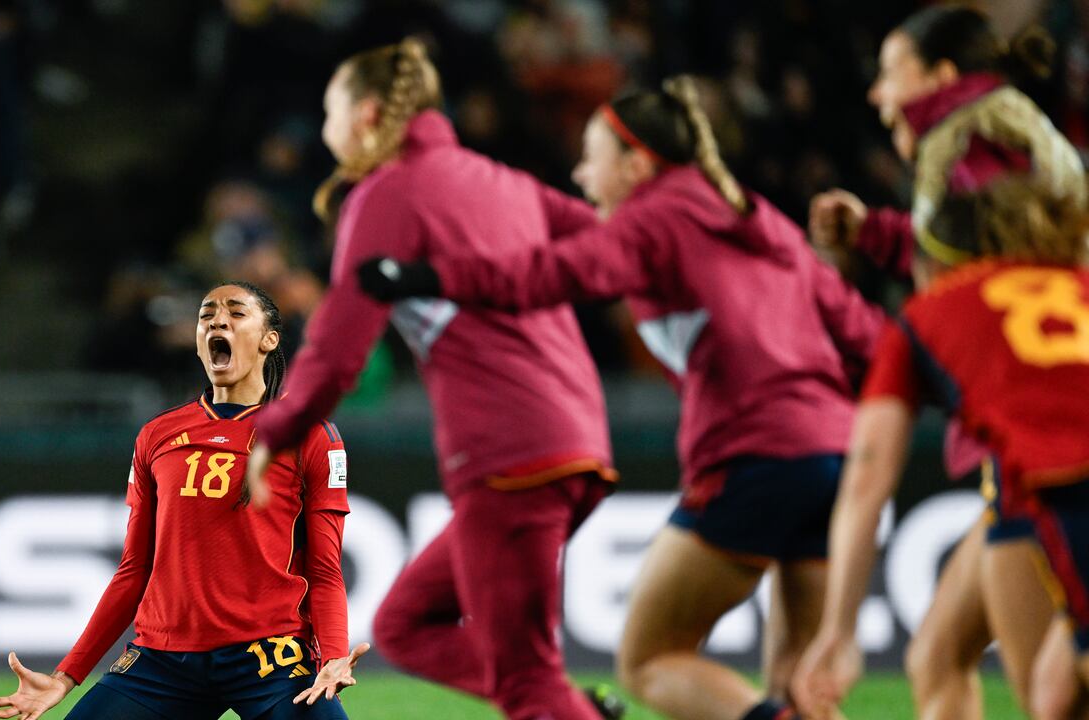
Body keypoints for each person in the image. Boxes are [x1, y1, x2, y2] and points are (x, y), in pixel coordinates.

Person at [358, 75, 885, 720]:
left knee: (649, 661)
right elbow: (864, 332)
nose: (581, 175)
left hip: (756, 457)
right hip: (836, 457)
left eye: (593, 158)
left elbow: (550, 273)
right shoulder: (757, 219)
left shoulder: (655, 218)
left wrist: (427, 275)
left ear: (637, 166)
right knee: (798, 685)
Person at [244, 38, 619, 720]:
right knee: (405, 625)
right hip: (574, 440)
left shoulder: (388, 194)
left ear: (365, 115)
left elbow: (338, 350)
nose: (326, 133)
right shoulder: (504, 182)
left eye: (330, 114)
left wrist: (273, 431)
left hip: (512, 456)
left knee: (526, 682)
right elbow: (617, 243)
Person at [806, 7, 1084, 716]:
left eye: (890, 72)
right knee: (937, 656)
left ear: (941, 76)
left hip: (1040, 462)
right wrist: (878, 233)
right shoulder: (1003, 133)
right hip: (1048, 443)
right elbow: (987, 247)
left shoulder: (968, 142)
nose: (877, 92)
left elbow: (868, 478)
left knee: (1051, 700)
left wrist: (838, 629)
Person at [0, 281, 366, 720]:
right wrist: (66, 676)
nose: (218, 321)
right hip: (164, 659)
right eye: (206, 315)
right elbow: (134, 569)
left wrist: (333, 655)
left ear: (269, 339)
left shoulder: (310, 435)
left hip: (269, 656)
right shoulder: (158, 435)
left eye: (236, 313)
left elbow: (325, 570)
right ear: (198, 343)